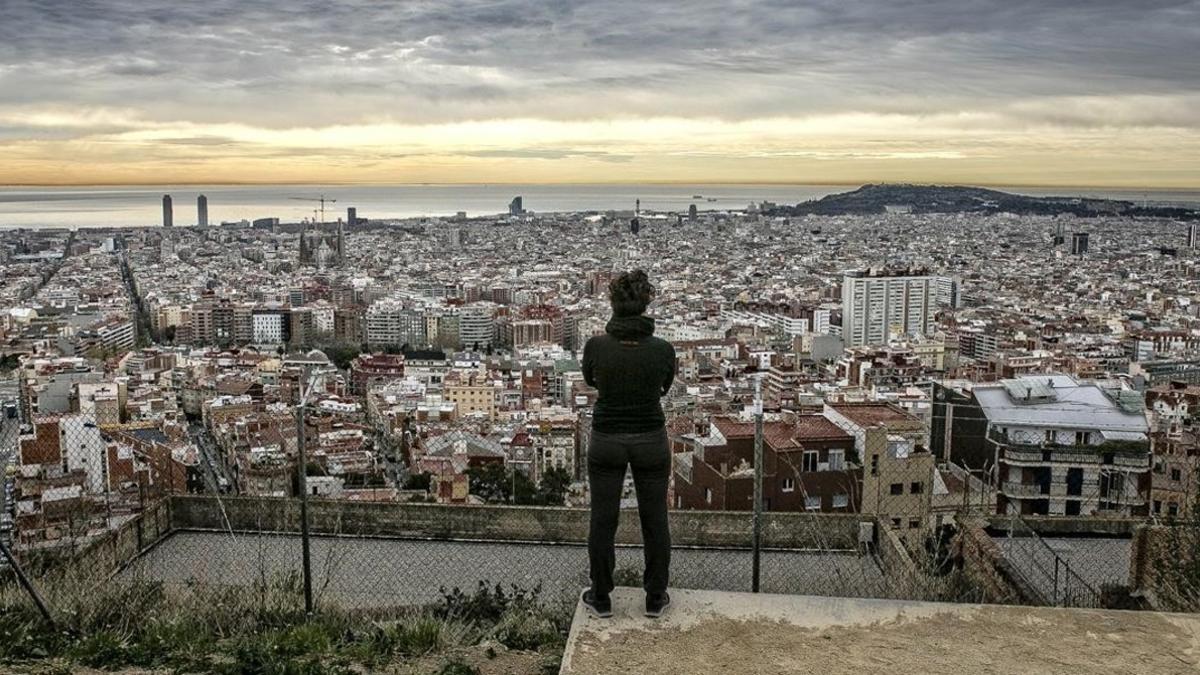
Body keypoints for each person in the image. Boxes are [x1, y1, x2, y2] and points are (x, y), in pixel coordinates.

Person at [580, 269, 677, 619]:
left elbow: (591, 379)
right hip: (651, 438)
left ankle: (601, 596)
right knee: (656, 520)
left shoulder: (596, 346)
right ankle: (655, 597)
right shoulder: (663, 350)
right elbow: (664, 386)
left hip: (606, 438)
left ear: (614, 304)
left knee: (603, 520)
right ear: (645, 303)